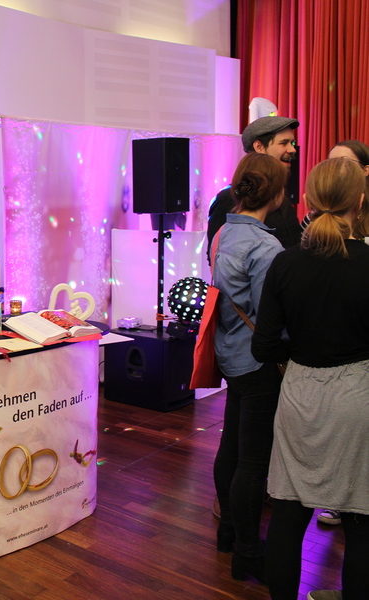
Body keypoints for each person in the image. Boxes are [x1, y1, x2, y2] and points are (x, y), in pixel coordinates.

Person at [252, 157, 369, 600]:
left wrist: (297, 354)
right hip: (358, 398)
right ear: (360, 201)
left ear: (307, 200)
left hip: (300, 394)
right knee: (361, 523)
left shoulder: (286, 264)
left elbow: (263, 346)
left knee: (287, 517)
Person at [210, 153, 288, 584]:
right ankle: (247, 552)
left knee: (231, 446)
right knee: (253, 461)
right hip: (257, 361)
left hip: (230, 354)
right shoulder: (266, 247)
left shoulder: (225, 232)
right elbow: (270, 318)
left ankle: (227, 533)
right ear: (276, 194)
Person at [304, 140, 369, 529]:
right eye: (332, 163)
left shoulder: (289, 260)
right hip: (341, 372)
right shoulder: (304, 248)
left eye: (346, 164)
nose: (338, 170)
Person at [207, 116, 303, 258]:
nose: (292, 149)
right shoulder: (229, 198)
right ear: (259, 147)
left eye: (292, 143)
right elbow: (217, 255)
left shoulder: (282, 193)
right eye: (284, 143)